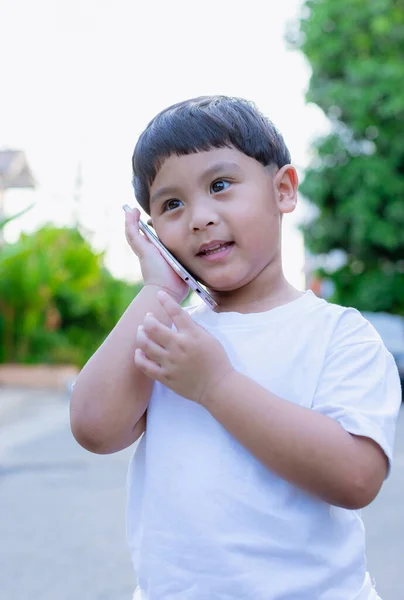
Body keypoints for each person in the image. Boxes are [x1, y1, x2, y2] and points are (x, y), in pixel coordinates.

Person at [70, 96, 401, 600]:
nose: (199, 217)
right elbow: (94, 427)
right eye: (171, 204)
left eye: (220, 186)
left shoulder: (340, 334)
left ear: (283, 190)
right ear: (154, 232)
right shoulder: (168, 331)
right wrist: (158, 289)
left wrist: (216, 385)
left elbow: (356, 477)